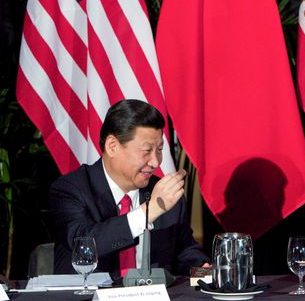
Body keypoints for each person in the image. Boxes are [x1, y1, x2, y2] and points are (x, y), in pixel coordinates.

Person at [49, 99, 209, 277]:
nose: (155, 162)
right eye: (146, 150)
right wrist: (150, 211)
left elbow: (184, 252)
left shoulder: (163, 194)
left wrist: (204, 269)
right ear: (112, 146)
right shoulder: (70, 189)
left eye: (159, 149)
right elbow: (85, 245)